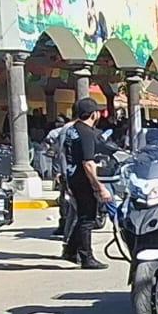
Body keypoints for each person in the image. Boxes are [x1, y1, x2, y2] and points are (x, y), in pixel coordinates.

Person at [60, 98, 112, 269]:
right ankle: (86, 257)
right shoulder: (86, 133)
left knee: (83, 215)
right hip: (83, 180)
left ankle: (70, 250)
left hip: (72, 177)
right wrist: (99, 186)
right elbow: (88, 163)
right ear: (93, 114)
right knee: (87, 219)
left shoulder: (72, 130)